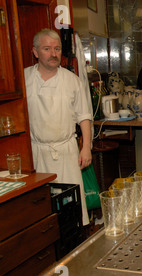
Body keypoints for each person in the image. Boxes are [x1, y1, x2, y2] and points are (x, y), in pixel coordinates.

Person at [25, 29, 92, 226]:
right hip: (36, 153)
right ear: (35, 52)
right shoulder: (24, 79)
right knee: (41, 207)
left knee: (72, 208)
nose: (54, 54)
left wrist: (86, 147)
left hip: (66, 152)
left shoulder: (72, 80)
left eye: (57, 49)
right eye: (47, 49)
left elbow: (84, 117)